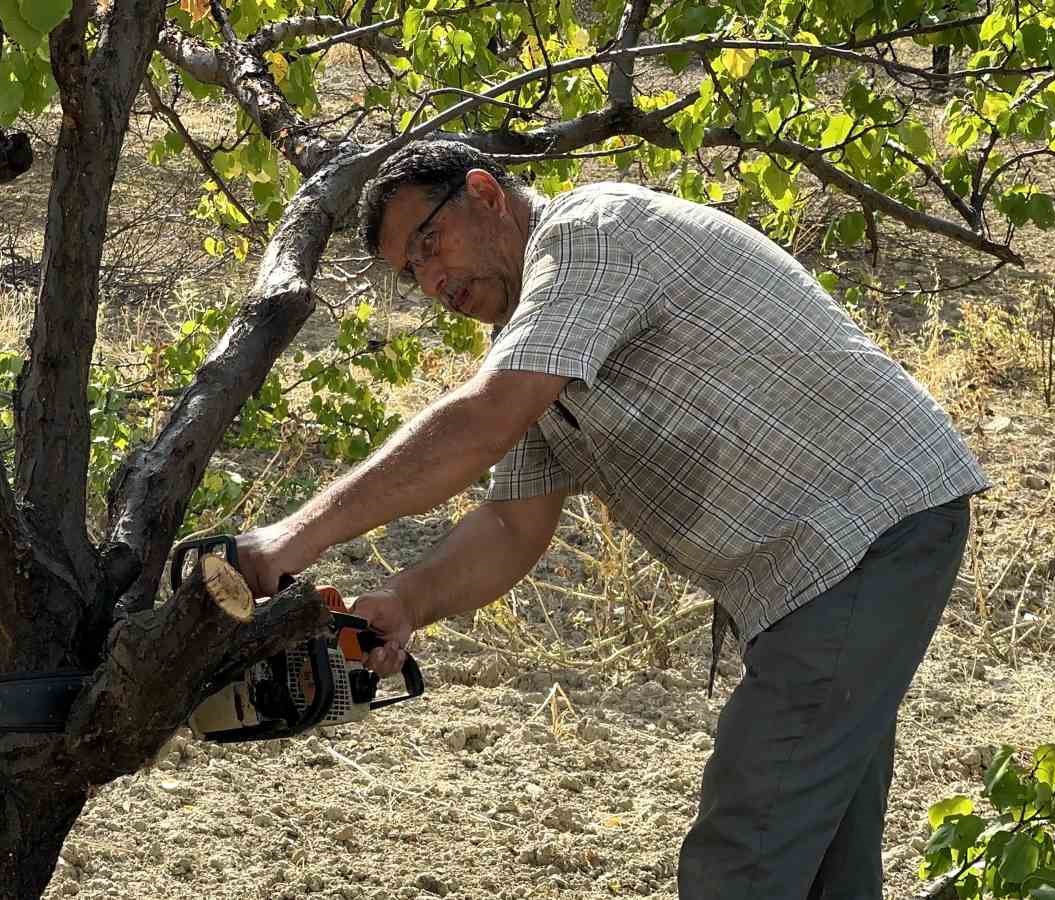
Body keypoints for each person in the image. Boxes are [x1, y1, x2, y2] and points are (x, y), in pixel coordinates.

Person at [235, 140, 990, 899]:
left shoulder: (592, 233)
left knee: (744, 859)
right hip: (827, 560)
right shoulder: (537, 345)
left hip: (862, 529)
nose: (432, 280)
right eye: (411, 272)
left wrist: (289, 540)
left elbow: (481, 421)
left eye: (430, 243)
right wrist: (406, 600)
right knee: (824, 866)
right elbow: (510, 528)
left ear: (486, 194)